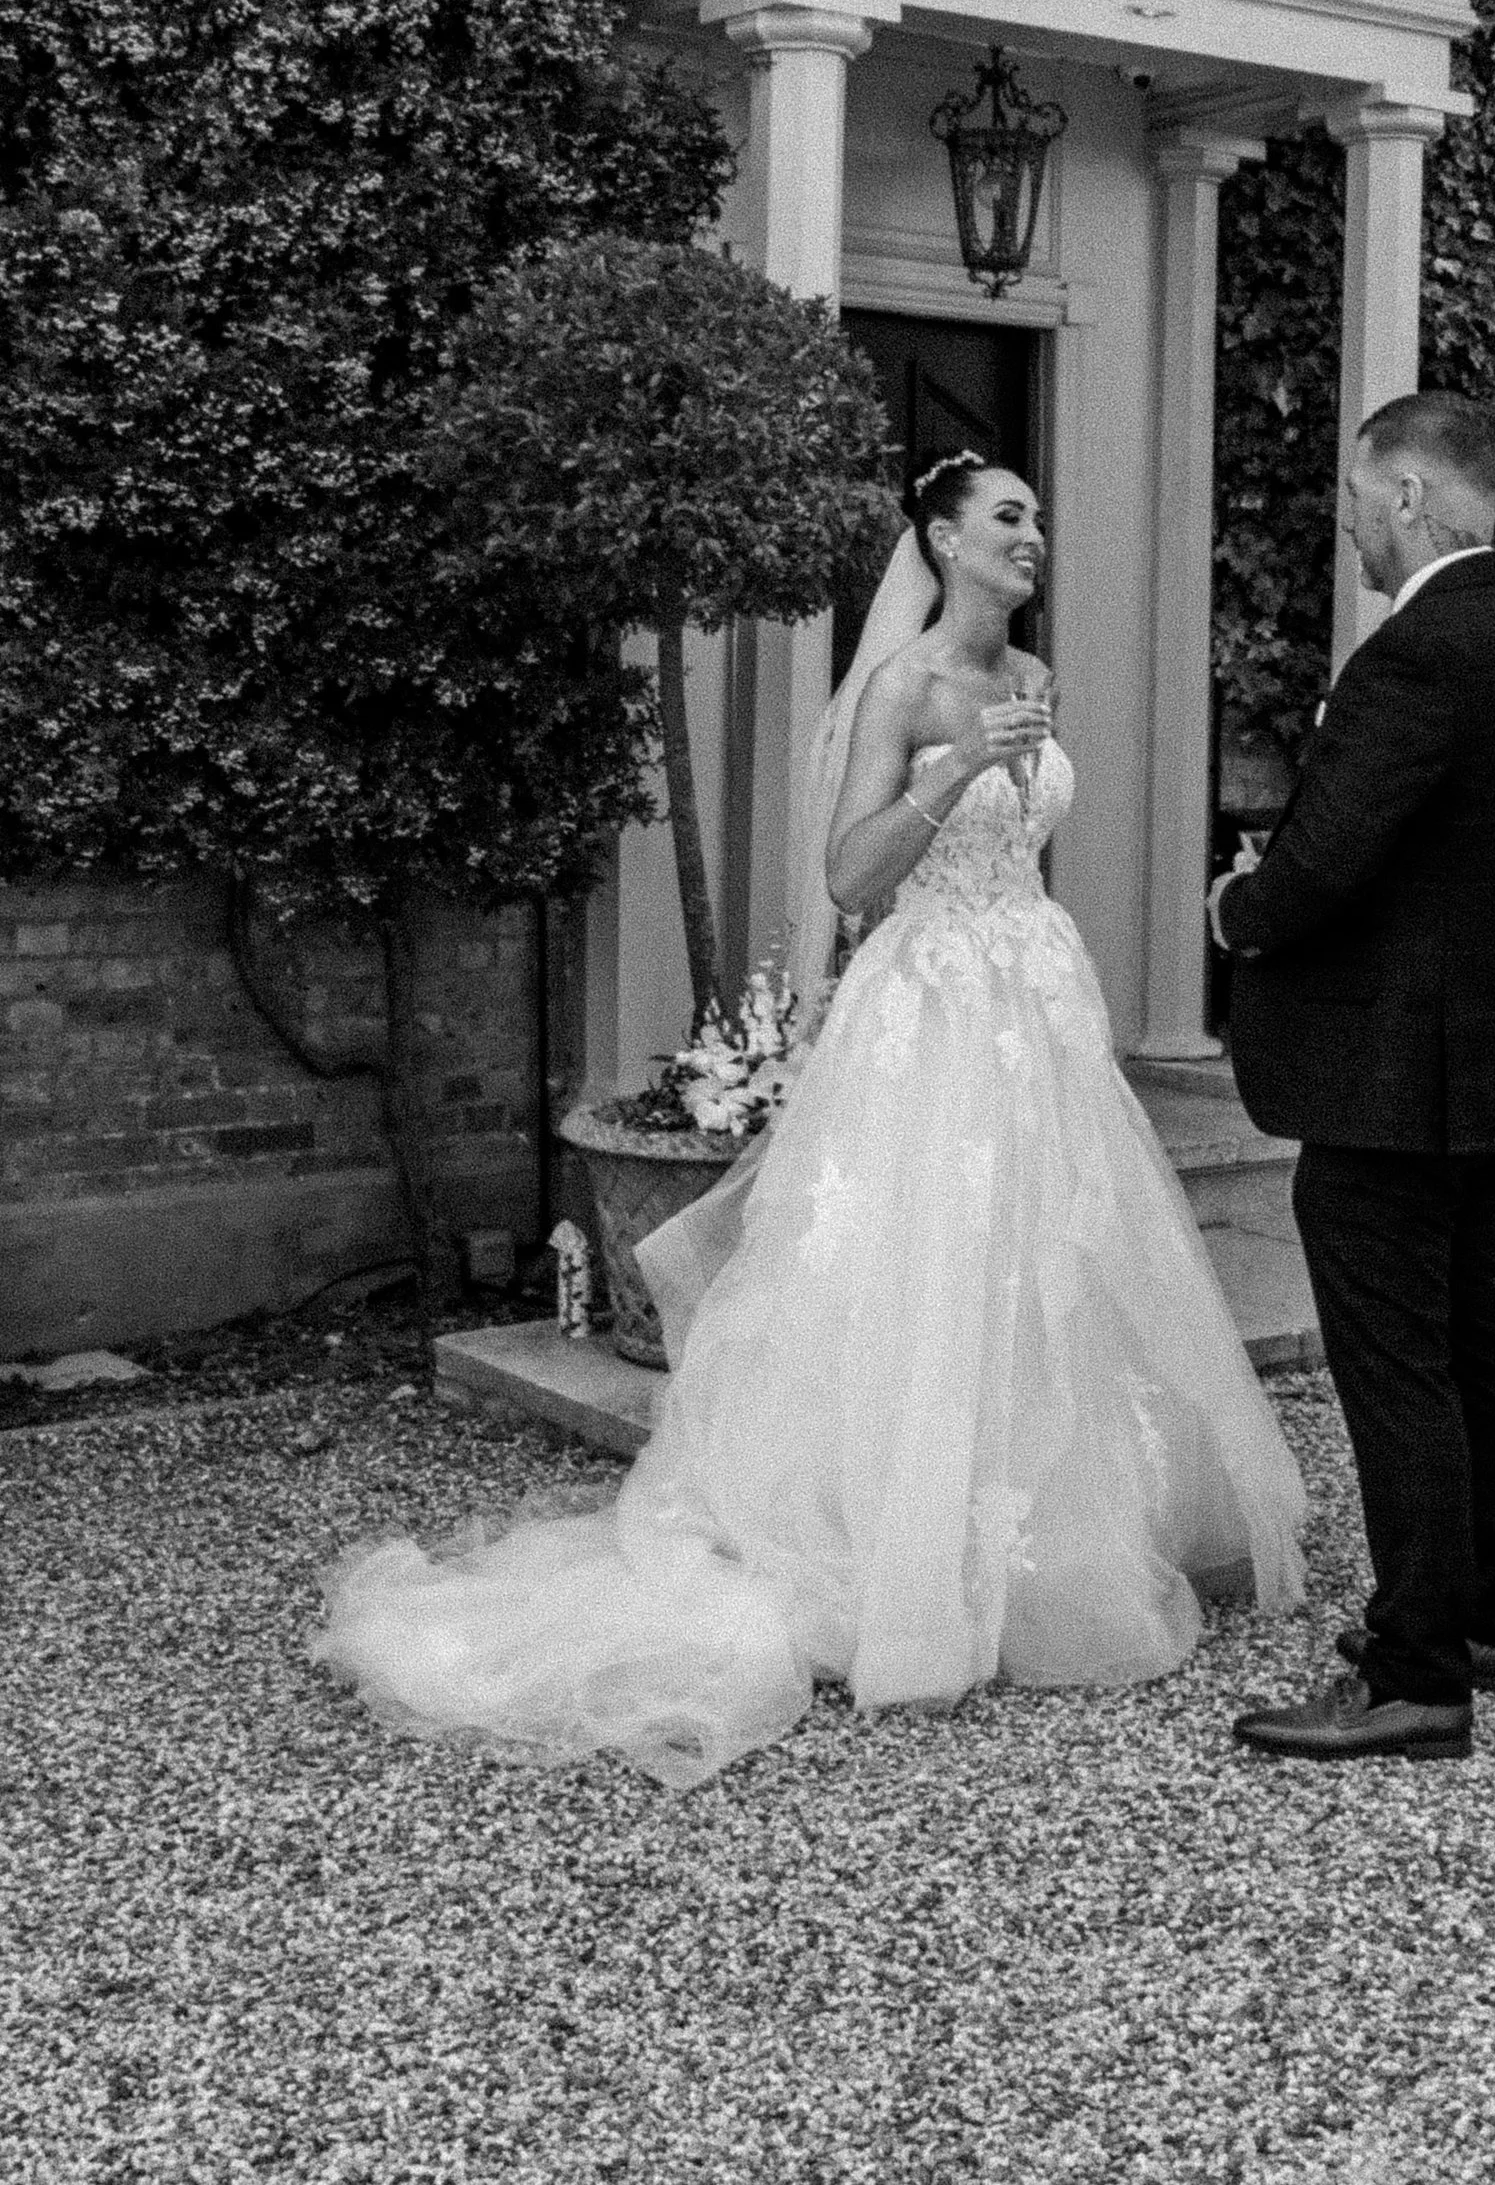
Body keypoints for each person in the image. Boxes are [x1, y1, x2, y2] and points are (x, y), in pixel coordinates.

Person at [313, 454, 1304, 1788]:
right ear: (942, 541)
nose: (1035, 536)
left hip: (1030, 995)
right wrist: (953, 774)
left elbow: (1023, 840)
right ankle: (888, 1556)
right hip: (932, 1008)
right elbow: (850, 878)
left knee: (1039, 1260)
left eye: (1039, 516)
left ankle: (1043, 1538)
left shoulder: (1034, 678)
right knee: (917, 1262)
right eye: (1007, 516)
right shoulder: (905, 687)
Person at [1211, 392, 1495, 1764]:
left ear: (1415, 495)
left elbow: (1329, 856)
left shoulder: (1419, 651)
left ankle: (1417, 1672)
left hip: (1394, 1073)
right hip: (1484, 1065)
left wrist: (1241, 910)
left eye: (1363, 498)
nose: (1352, 524)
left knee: (1400, 1364)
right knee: (1476, 1340)